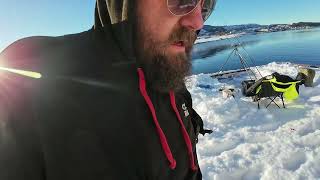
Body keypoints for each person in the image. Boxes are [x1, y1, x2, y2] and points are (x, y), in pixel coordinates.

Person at [0, 0, 216, 179]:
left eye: (206, 6)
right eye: (183, 0)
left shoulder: (167, 75)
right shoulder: (33, 75)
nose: (198, 22)